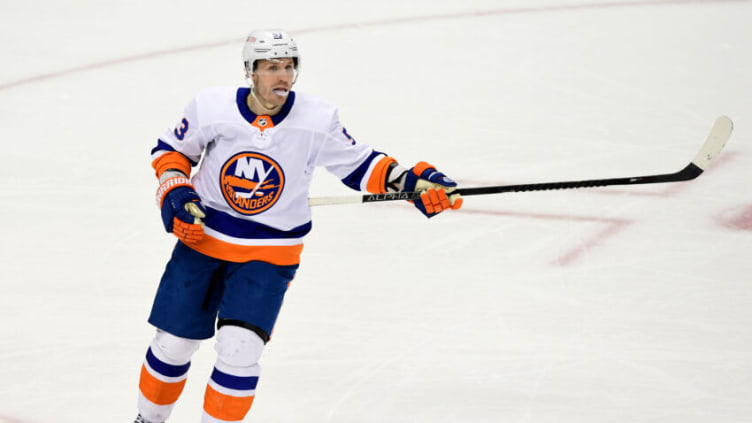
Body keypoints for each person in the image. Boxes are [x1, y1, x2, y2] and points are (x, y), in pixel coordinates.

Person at [135, 29, 462, 423]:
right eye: (272, 67)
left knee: (240, 350)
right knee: (173, 344)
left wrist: (409, 182)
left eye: (289, 67)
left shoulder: (317, 119)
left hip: (269, 254)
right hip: (203, 242)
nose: (283, 76)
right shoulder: (211, 108)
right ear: (250, 71)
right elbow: (172, 152)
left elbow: (360, 165)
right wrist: (176, 192)